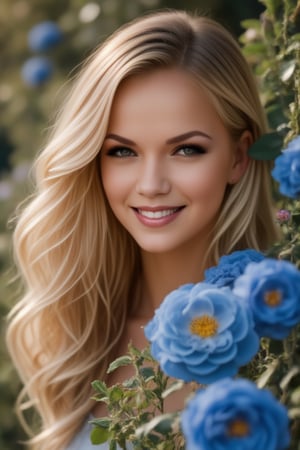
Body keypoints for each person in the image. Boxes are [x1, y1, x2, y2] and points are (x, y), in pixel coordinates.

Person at [6, 9, 280, 450]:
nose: (151, 185)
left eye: (186, 149)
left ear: (238, 157)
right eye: (122, 152)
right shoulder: (78, 332)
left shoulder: (279, 341)